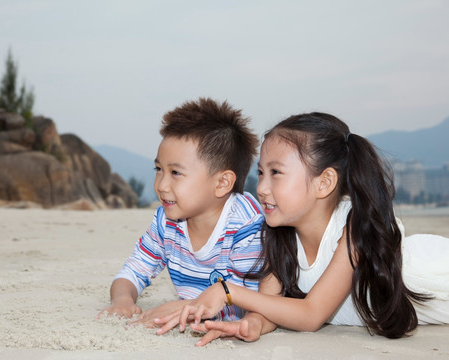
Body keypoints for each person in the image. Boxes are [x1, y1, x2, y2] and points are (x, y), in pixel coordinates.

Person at [155, 112, 449, 345]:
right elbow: (271, 305)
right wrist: (252, 324)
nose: (262, 187)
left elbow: (311, 315)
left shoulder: (354, 228)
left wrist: (227, 292)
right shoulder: (278, 235)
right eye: (260, 173)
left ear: (324, 183)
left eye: (276, 173)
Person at [99, 97, 268, 326]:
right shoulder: (166, 222)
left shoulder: (246, 227)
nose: (161, 185)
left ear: (222, 183)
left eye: (176, 173)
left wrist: (184, 308)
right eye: (158, 169)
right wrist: (122, 300)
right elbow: (134, 270)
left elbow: (248, 305)